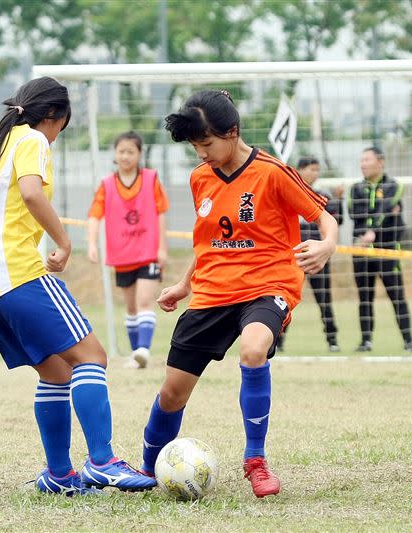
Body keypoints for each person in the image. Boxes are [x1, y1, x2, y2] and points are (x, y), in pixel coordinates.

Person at [137, 89, 338, 498]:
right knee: (172, 392)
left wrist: (326, 244)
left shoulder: (273, 172)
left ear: (232, 132)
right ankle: (145, 467)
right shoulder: (200, 178)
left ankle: (256, 461)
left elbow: (323, 216)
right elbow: (207, 242)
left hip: (268, 285)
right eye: (195, 146)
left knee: (253, 349)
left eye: (206, 144)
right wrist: (183, 284)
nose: (201, 154)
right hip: (212, 290)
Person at [0, 77, 156, 496]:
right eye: (61, 128)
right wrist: (65, 242)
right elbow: (32, 194)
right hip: (16, 272)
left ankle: (58, 474)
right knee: (92, 355)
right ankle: (102, 461)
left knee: (56, 372)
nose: (56, 136)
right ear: (54, 117)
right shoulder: (32, 139)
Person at [87, 131, 169, 369]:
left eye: (130, 151)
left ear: (139, 154)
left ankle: (144, 349)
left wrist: (162, 248)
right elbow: (94, 215)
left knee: (145, 301)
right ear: (115, 154)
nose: (125, 156)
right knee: (131, 307)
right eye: (121, 151)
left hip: (148, 252)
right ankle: (137, 354)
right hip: (122, 255)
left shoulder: (151, 179)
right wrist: (92, 243)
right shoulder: (106, 185)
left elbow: (161, 213)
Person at [348, 145, 412, 353]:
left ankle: (408, 341)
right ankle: (366, 341)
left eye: (367, 160)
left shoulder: (393, 186)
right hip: (361, 251)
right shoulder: (355, 189)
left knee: (397, 296)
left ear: (380, 162)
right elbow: (354, 213)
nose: (363, 164)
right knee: (364, 297)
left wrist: (374, 231)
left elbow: (386, 209)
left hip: (387, 250)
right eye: (361, 161)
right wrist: (371, 229)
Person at [277, 157, 342, 353]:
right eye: (312, 169)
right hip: (292, 257)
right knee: (284, 298)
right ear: (301, 170)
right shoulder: (286, 194)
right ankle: (277, 340)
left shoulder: (322, 196)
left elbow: (338, 223)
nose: (316, 173)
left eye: (318, 170)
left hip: (316, 256)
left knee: (324, 299)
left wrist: (340, 200)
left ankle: (332, 340)